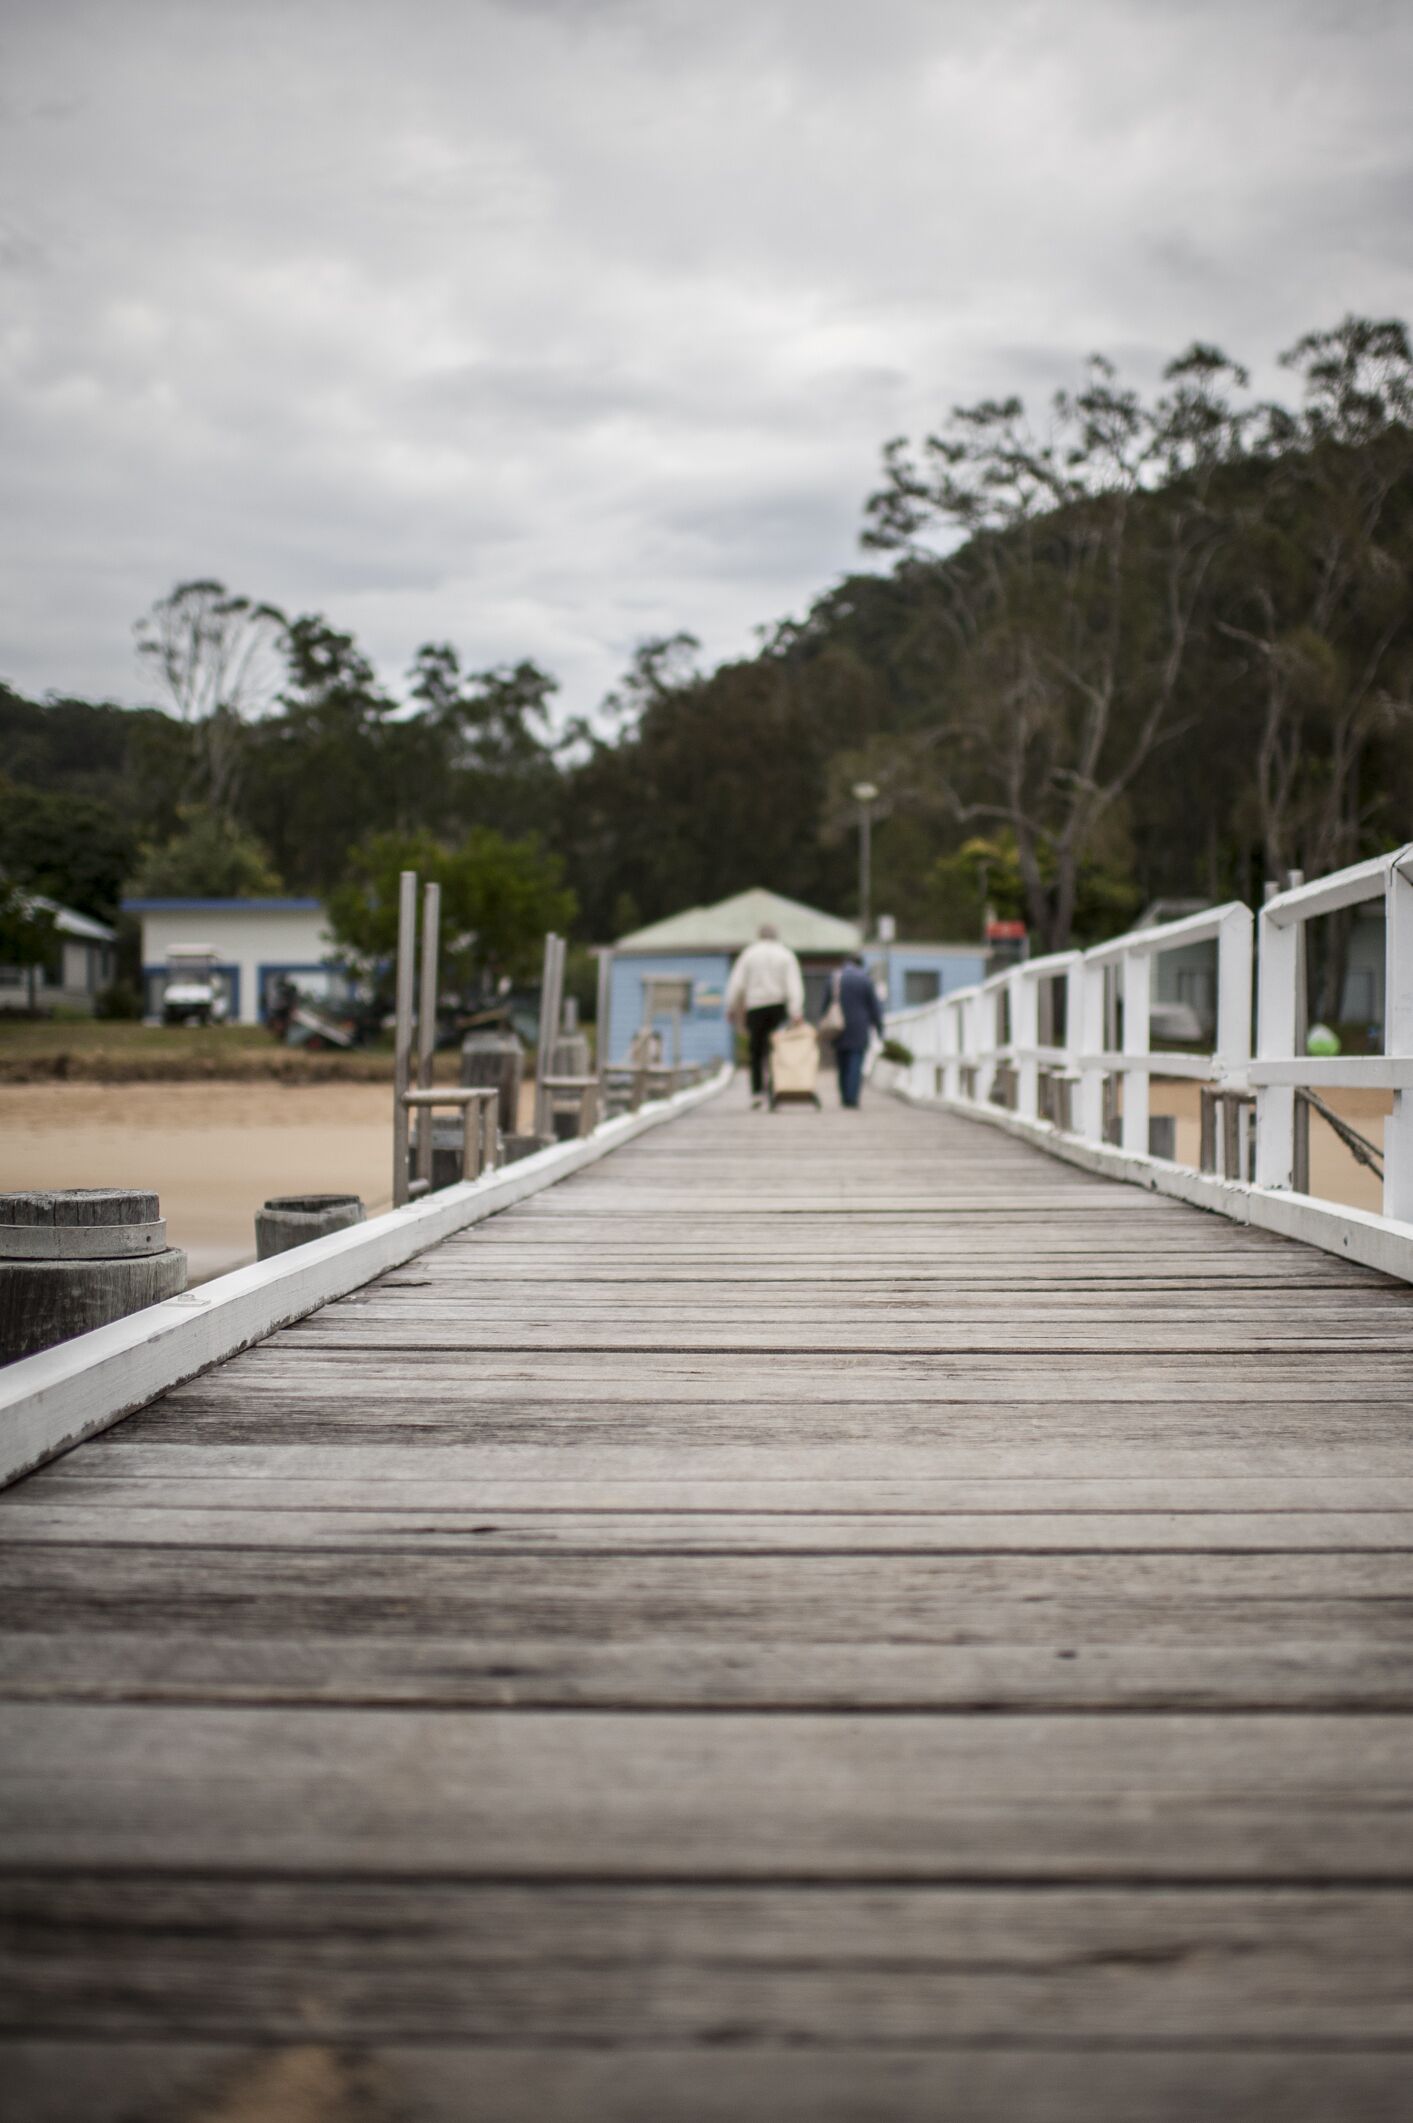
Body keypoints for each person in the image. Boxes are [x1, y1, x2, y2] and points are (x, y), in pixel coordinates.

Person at [725, 922, 805, 1107]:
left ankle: (757, 1092)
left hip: (755, 1006)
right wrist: (796, 1011)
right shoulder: (786, 954)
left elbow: (737, 983)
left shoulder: (749, 954)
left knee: (756, 1050)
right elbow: (793, 984)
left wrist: (731, 1007)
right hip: (778, 1006)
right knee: (777, 1049)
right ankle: (776, 1088)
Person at [824, 952, 884, 1109]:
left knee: (841, 1063)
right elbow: (875, 1008)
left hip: (838, 1026)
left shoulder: (835, 977)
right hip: (859, 1027)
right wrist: (879, 1028)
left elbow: (825, 1004)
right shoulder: (865, 979)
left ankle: (844, 1096)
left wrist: (824, 1023)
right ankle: (852, 1098)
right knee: (855, 1063)